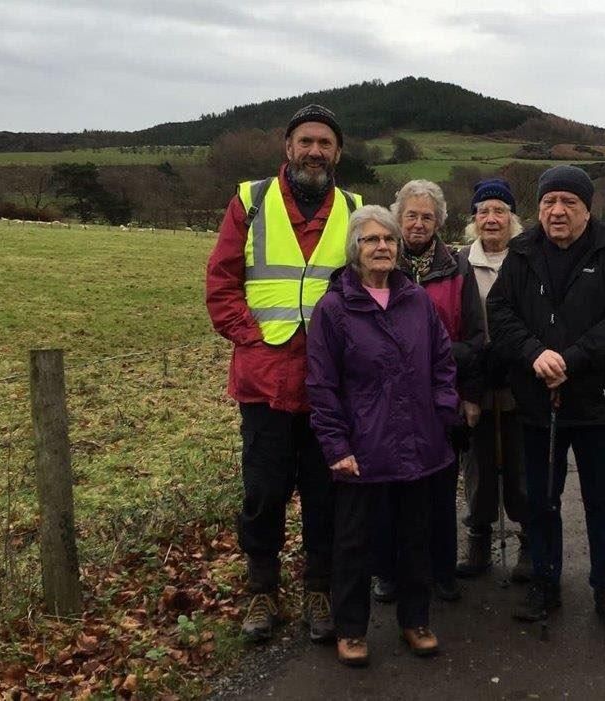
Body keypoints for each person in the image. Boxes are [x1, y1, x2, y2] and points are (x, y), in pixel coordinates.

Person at [205, 104, 360, 643]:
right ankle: (262, 591)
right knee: (264, 492)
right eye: (306, 141)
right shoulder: (249, 201)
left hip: (332, 384)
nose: (315, 151)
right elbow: (222, 281)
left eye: (325, 143)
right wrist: (251, 337)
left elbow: (373, 285)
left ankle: (319, 589)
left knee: (326, 494)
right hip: (264, 380)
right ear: (287, 148)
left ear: (338, 153)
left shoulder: (356, 208)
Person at [487, 165, 605, 630]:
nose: (557, 211)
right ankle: (544, 581)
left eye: (568, 203)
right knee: (542, 500)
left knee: (601, 501)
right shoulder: (521, 252)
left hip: (594, 402)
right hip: (536, 404)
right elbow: (500, 312)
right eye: (548, 202)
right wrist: (535, 353)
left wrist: (570, 359)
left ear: (586, 208)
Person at [306, 205, 459, 667]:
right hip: (363, 449)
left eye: (389, 240)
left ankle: (416, 621)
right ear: (355, 249)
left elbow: (443, 365)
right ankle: (351, 629)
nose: (382, 247)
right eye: (372, 240)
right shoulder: (334, 309)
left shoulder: (417, 301)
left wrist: (443, 415)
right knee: (354, 543)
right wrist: (336, 447)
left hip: (419, 444)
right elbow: (321, 385)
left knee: (416, 537)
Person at [371, 180, 484, 604]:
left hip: (442, 398)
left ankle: (441, 571)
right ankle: (387, 571)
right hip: (385, 402)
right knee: (388, 488)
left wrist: (468, 395)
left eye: (427, 216)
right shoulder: (379, 261)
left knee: (440, 486)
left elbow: (475, 339)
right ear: (397, 218)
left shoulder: (458, 268)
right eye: (411, 215)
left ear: (439, 222)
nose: (418, 224)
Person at [454, 178, 532, 582]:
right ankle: (479, 540)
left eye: (499, 211)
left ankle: (529, 543)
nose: (491, 218)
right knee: (478, 467)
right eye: (483, 211)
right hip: (476, 379)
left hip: (519, 377)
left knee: (521, 464)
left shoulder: (527, 258)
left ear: (511, 218)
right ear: (474, 219)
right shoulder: (460, 261)